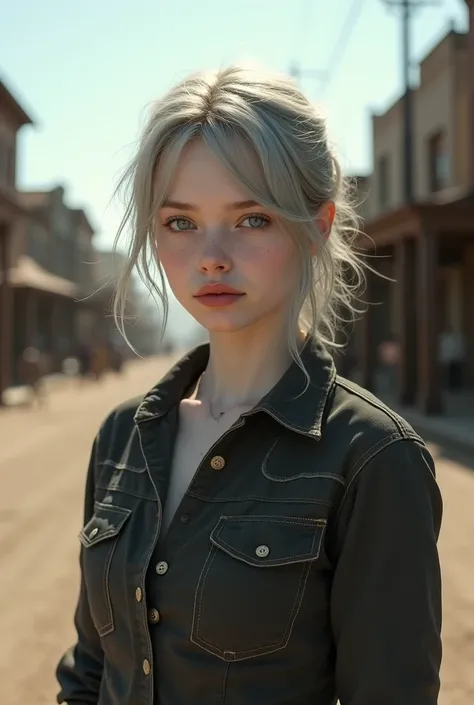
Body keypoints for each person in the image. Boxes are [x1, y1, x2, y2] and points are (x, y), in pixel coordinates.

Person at [56, 66, 442, 705]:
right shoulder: (124, 436)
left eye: (252, 218)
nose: (211, 254)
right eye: (181, 222)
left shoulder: (374, 458)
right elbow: (92, 669)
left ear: (317, 225)